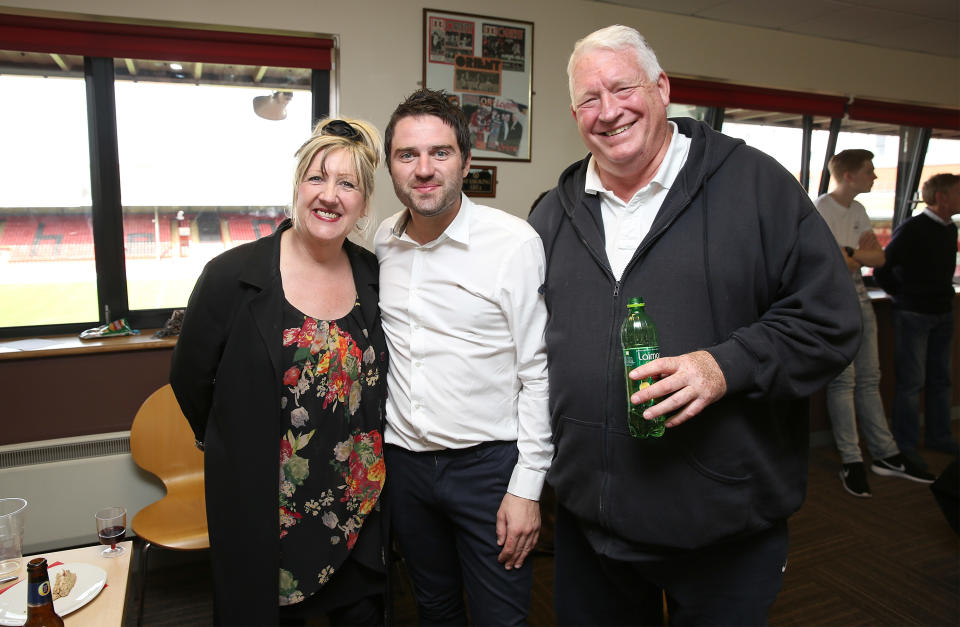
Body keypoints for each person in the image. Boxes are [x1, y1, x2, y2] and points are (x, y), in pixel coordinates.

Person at [527, 25, 861, 625]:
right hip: (590, 526)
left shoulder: (756, 187)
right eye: (588, 100)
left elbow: (830, 321)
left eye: (622, 88)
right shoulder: (554, 211)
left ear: (661, 88)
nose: (608, 112)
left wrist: (723, 365)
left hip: (721, 526)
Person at [170, 117, 389, 625]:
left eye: (347, 183)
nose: (329, 195)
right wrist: (237, 444)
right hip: (268, 519)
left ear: (363, 202)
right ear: (296, 187)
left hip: (359, 514)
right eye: (317, 178)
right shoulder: (231, 277)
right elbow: (190, 380)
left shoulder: (374, 276)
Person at [374, 88, 552, 626]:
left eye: (440, 153)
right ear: (391, 167)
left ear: (467, 161)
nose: (424, 169)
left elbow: (538, 374)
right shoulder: (383, 240)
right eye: (408, 155)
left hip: (488, 469)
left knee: (500, 616)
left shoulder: (513, 244)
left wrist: (527, 487)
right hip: (404, 464)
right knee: (434, 609)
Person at [815, 149, 934, 496]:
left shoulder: (860, 210)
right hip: (833, 306)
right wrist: (854, 254)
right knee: (844, 382)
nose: (875, 177)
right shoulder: (821, 209)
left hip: (863, 302)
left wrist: (848, 253)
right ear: (849, 175)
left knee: (870, 379)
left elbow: (877, 258)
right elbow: (830, 262)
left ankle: (886, 455)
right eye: (870, 170)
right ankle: (852, 461)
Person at [876, 173, 960, 460]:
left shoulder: (951, 230)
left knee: (941, 380)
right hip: (913, 314)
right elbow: (882, 270)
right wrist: (905, 296)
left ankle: (939, 436)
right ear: (942, 197)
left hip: (942, 314)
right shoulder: (912, 228)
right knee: (911, 382)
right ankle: (907, 444)